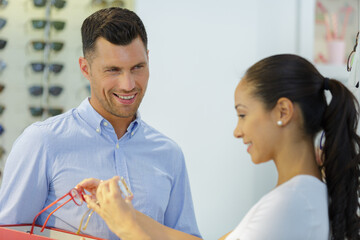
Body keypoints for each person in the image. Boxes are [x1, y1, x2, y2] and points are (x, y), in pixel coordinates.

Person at [78, 54, 360, 240]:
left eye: (243, 114)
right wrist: (123, 213)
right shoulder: (300, 196)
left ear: (283, 112)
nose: (238, 131)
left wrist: (126, 228)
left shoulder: (289, 204)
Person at [0, 7, 201, 240]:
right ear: (86, 68)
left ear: (148, 59)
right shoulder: (41, 142)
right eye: (113, 70)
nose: (128, 84)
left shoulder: (169, 155)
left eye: (137, 67)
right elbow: (9, 235)